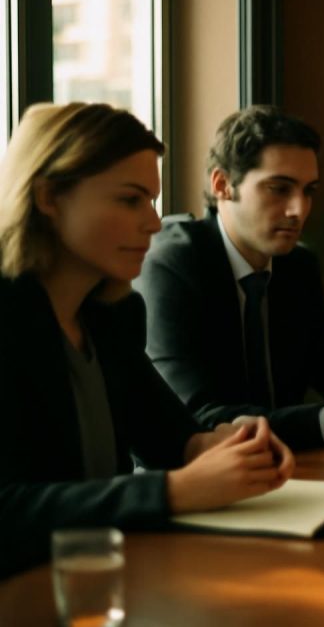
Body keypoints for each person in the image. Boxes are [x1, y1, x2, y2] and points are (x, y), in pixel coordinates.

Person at [0, 102, 294, 577]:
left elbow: (171, 438)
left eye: (153, 201)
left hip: (102, 578)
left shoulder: (112, 315)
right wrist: (176, 490)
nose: (154, 223)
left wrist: (232, 446)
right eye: (130, 200)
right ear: (48, 197)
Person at [135, 106, 324, 451]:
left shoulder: (298, 266)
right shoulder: (172, 263)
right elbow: (197, 417)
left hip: (287, 469)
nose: (299, 209)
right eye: (279, 188)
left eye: (308, 191)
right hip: (195, 480)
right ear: (222, 185)